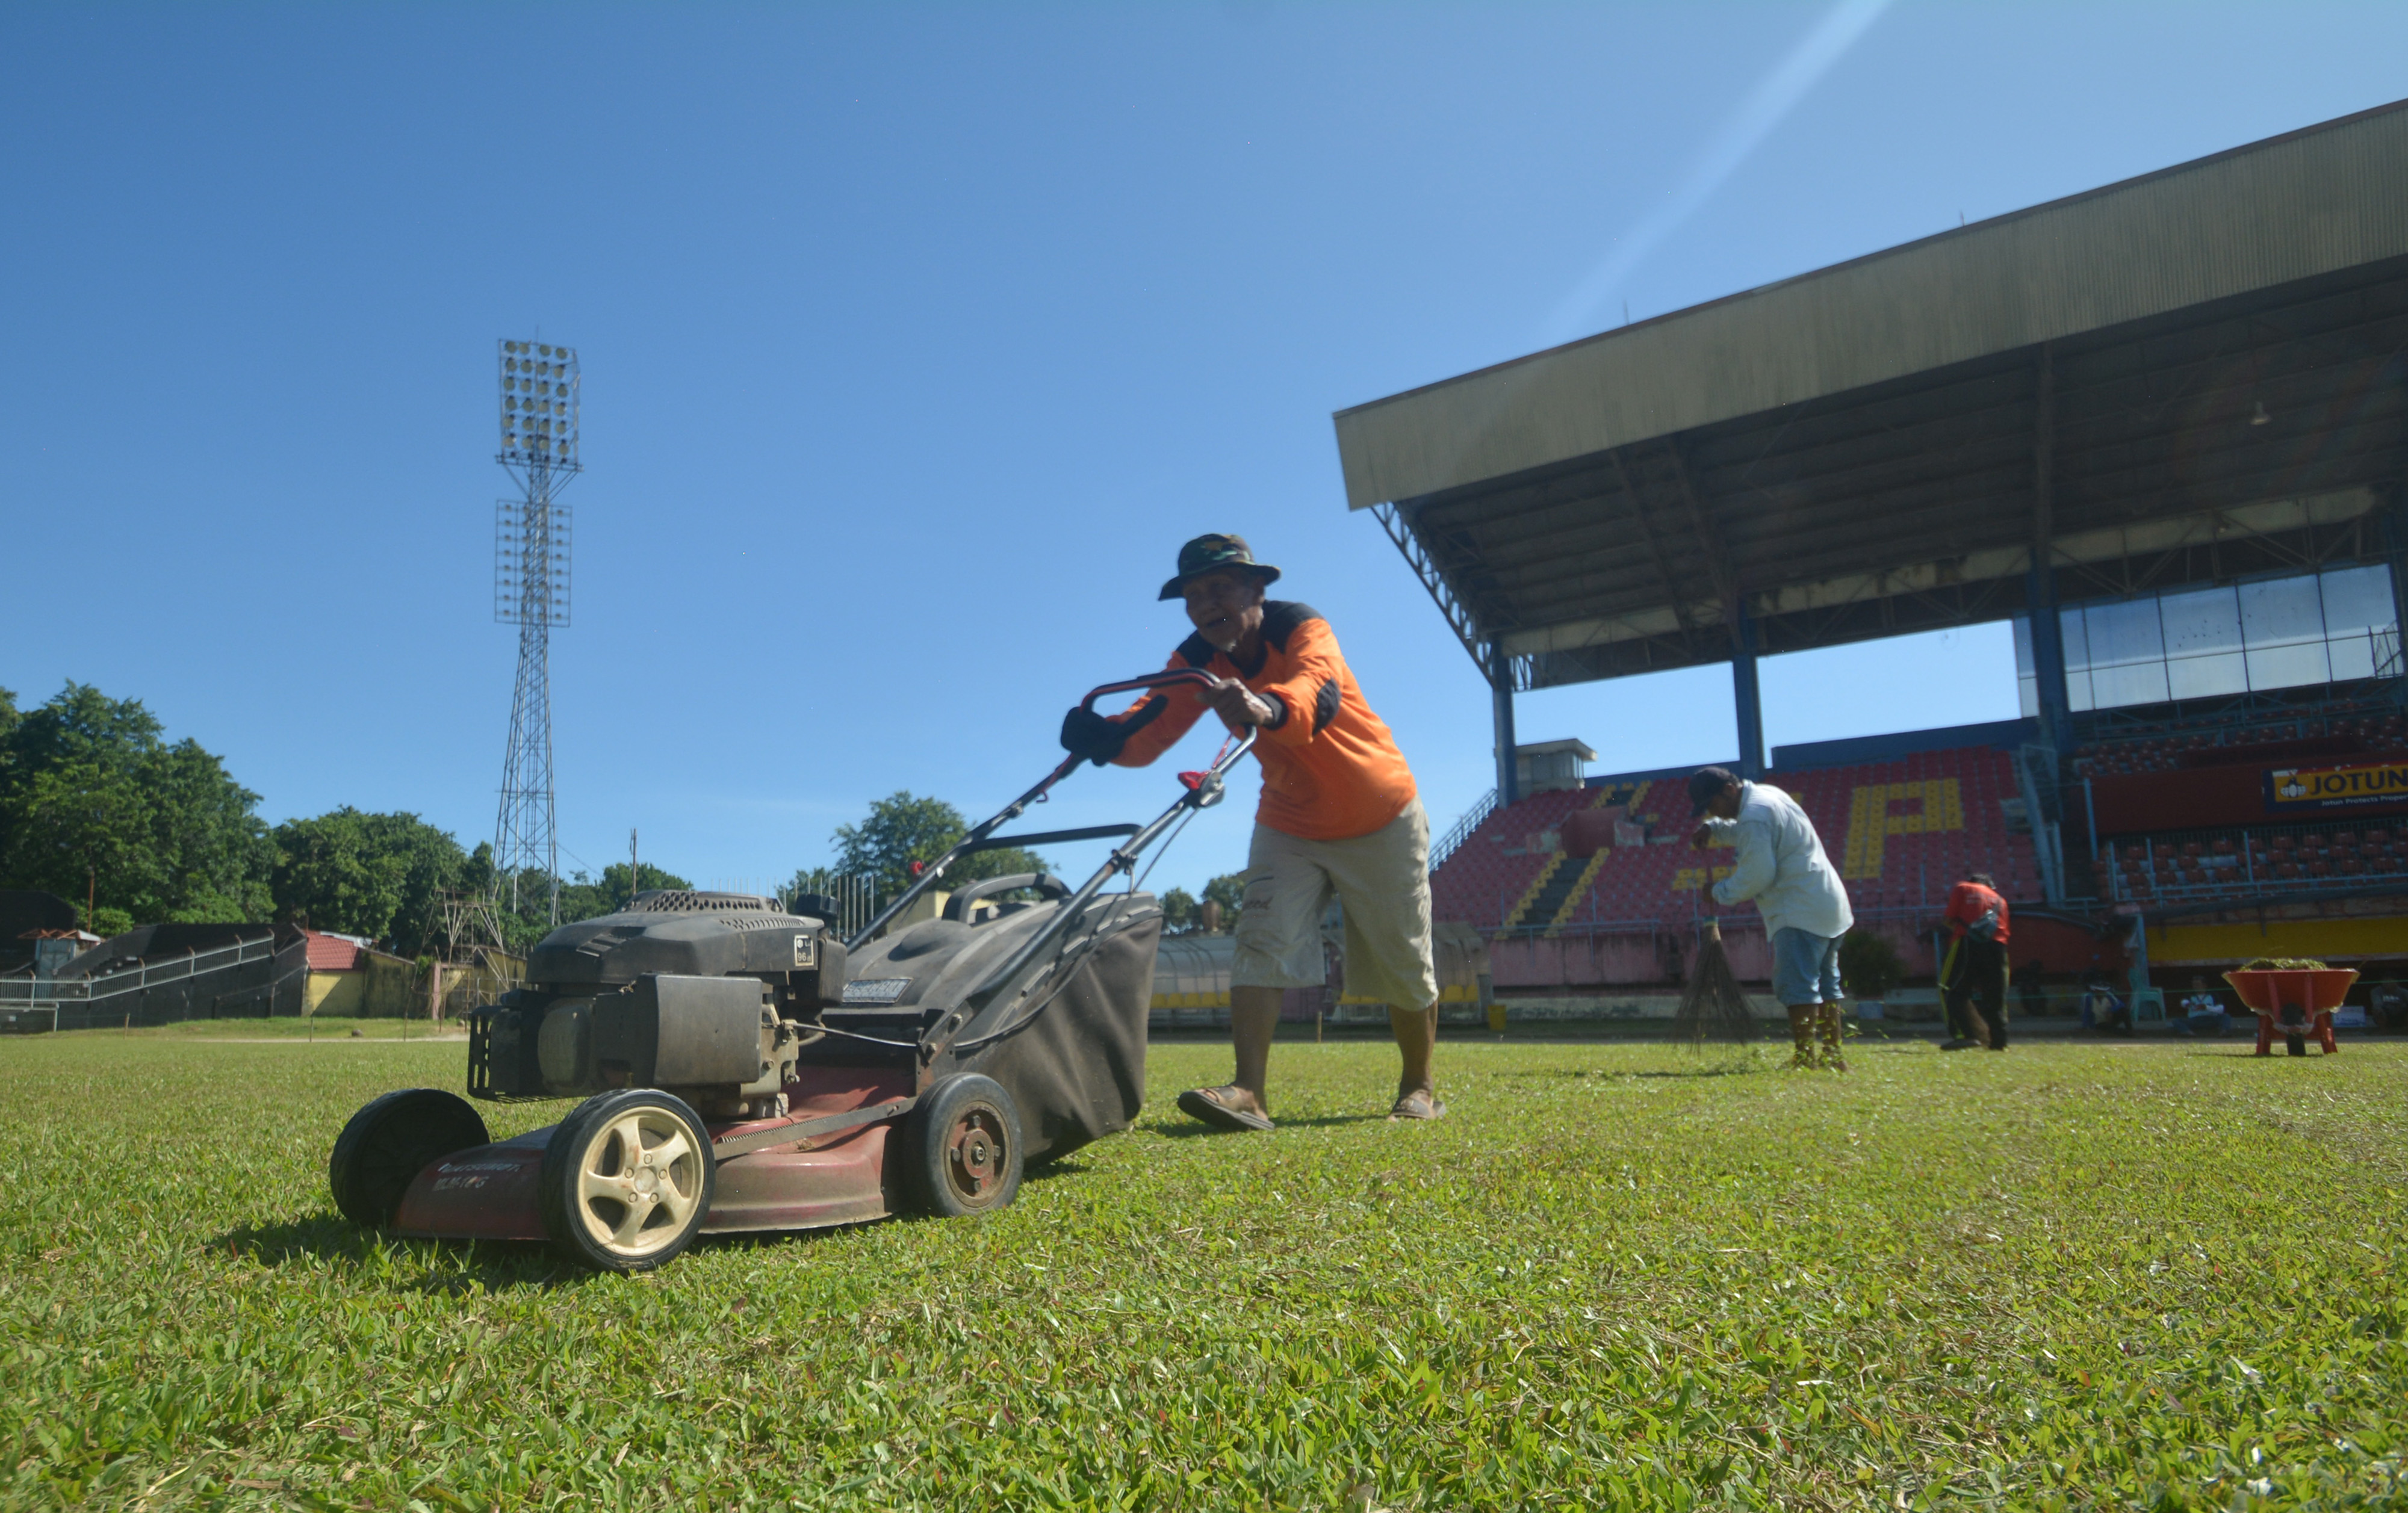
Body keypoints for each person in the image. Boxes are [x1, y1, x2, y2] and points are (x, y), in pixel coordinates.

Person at [1060, 533, 1441, 1130]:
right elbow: (1151, 722)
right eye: (1192, 595)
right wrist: (1104, 740)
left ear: (1256, 591)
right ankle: (1249, 1092)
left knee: (1402, 957)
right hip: (1288, 819)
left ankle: (1419, 1087)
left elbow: (1318, 690)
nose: (1205, 604)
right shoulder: (1195, 661)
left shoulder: (1302, 629)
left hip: (1379, 812)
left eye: (1219, 588)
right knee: (1260, 937)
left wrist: (1265, 708)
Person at [1687, 766, 1854, 1070]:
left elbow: (1758, 874)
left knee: (1798, 985)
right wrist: (1714, 827)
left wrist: (1719, 891)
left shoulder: (1754, 815)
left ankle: (1805, 1059)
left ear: (1729, 790)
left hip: (1798, 908)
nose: (1713, 811)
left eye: (1713, 805)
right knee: (1827, 984)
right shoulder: (1768, 795)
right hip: (1827, 902)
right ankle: (1833, 1056)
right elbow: (1748, 831)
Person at [1941, 872, 2011, 1051]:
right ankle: (1999, 1041)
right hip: (1998, 947)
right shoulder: (2001, 900)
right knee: (1995, 995)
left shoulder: (1963, 888)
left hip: (1967, 943)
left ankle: (1964, 1035)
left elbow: (1949, 919)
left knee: (1951, 989)